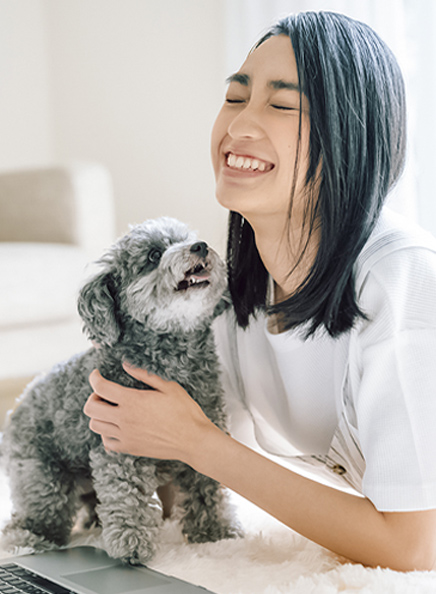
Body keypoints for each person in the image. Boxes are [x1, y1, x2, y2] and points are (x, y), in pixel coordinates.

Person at [84, 11, 436, 571]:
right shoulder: (229, 293)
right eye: (234, 97)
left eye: (281, 104)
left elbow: (414, 548)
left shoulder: (406, 280)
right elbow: (190, 454)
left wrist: (196, 442)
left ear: (350, 133)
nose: (239, 126)